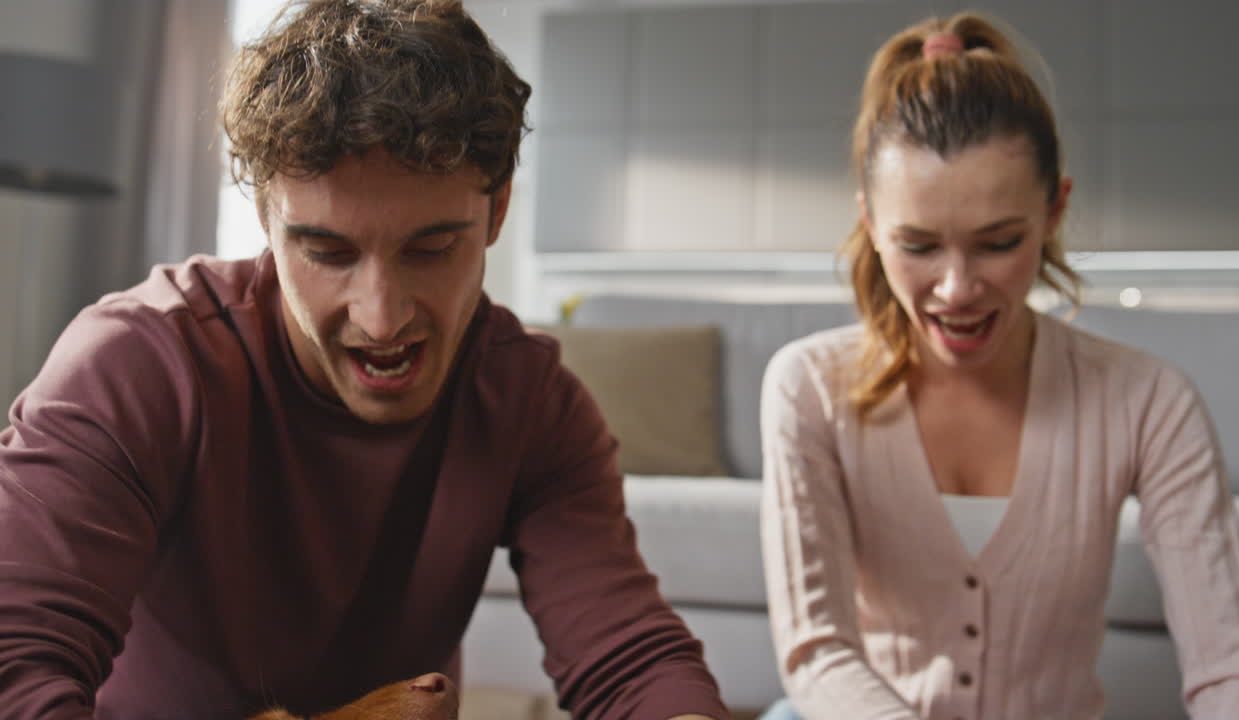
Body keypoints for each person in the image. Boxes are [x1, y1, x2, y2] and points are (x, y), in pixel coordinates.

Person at [0, 1, 729, 718]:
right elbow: (15, 659)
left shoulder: (531, 400)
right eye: (327, 252)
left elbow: (627, 656)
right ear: (266, 218)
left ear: (497, 211)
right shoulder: (137, 365)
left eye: (432, 248)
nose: (382, 318)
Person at [757, 12, 1239, 720]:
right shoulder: (807, 387)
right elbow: (817, 652)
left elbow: (1230, 670)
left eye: (998, 243)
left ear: (1054, 211)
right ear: (871, 227)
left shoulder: (1149, 401)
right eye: (918, 246)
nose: (957, 288)